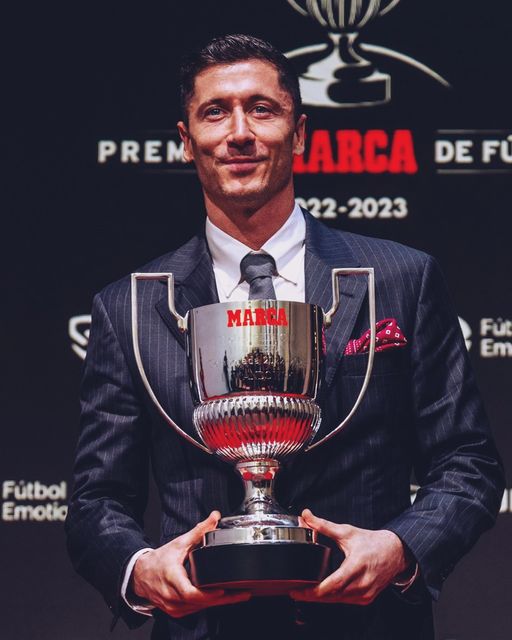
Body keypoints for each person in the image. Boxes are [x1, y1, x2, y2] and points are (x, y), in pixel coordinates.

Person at [65, 34, 504, 640]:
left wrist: (399, 548)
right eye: (215, 112)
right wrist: (141, 569)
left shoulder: (401, 279)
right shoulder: (129, 308)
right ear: (186, 140)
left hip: (368, 627)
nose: (239, 133)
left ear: (298, 134)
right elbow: (96, 501)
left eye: (261, 109)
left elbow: (468, 463)